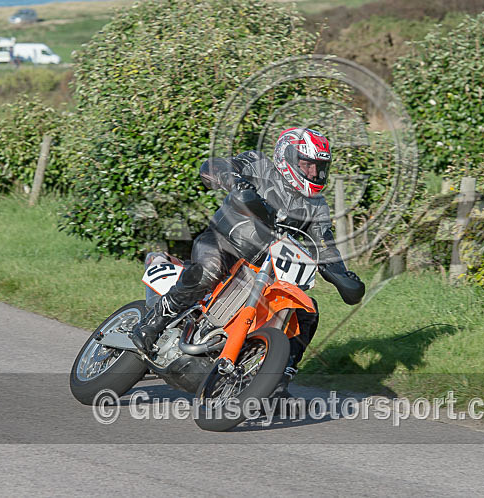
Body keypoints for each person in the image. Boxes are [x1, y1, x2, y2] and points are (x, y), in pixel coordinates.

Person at [131, 128, 365, 395]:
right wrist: (236, 182)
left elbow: (325, 246)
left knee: (307, 311)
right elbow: (212, 166)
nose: (313, 173)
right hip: (223, 242)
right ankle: (153, 324)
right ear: (286, 155)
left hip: (265, 269)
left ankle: (277, 381)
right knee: (210, 270)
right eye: (307, 164)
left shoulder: (317, 206)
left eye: (319, 167)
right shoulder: (259, 164)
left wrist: (342, 275)